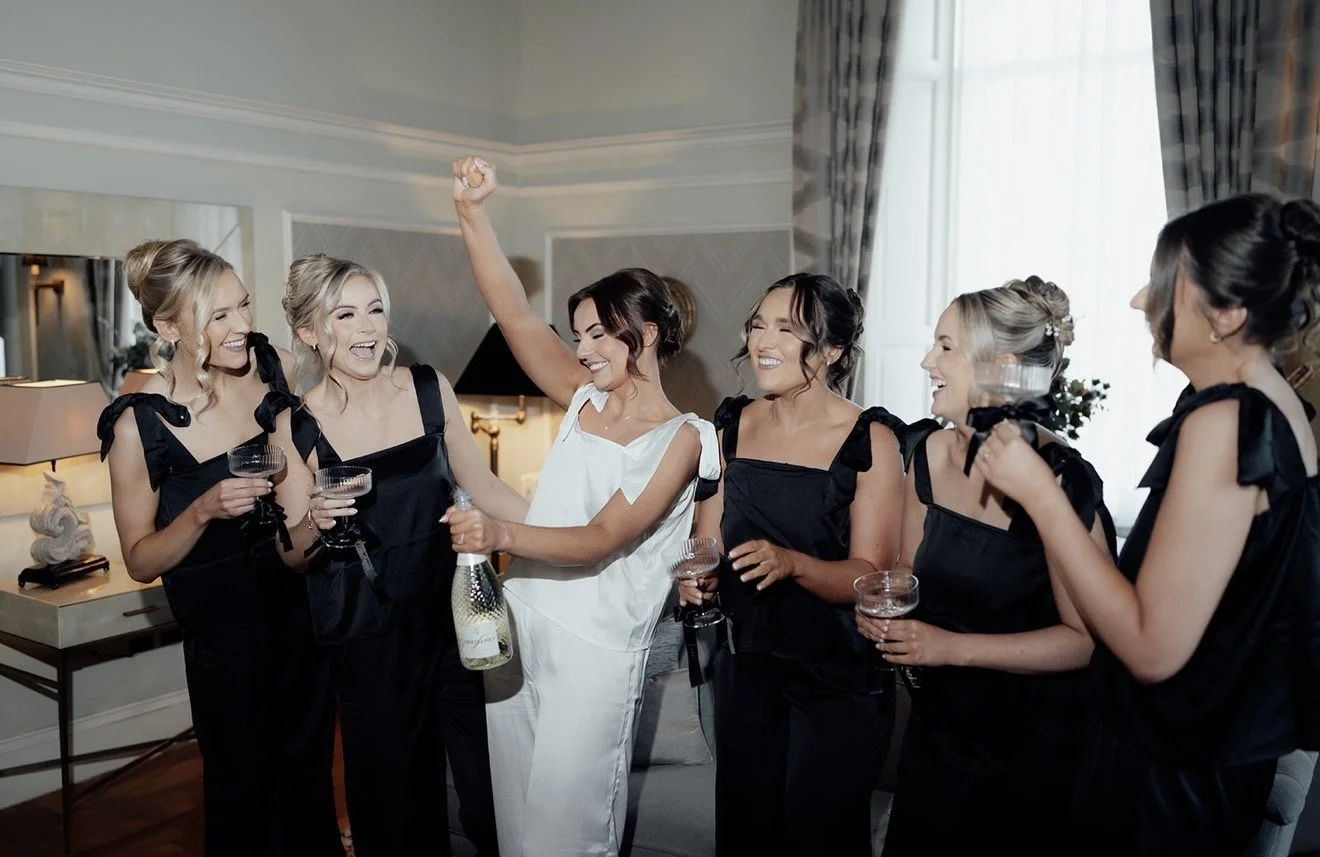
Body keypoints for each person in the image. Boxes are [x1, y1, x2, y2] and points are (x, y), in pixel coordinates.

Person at [976, 195, 1320, 857]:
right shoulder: (1273, 403)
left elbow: (1150, 647)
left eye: (1164, 284)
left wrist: (1043, 496)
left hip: (1172, 777)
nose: (1140, 300)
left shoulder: (1231, 422)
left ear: (1226, 313)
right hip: (1206, 758)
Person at [444, 155, 720, 857]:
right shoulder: (582, 397)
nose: (584, 348)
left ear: (647, 333)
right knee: (516, 831)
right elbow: (510, 311)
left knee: (566, 837)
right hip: (520, 625)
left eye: (599, 332)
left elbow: (604, 536)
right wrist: (472, 214)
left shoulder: (683, 438)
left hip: (594, 654)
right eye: (578, 334)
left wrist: (503, 528)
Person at [272, 253, 526, 857]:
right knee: (393, 802)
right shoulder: (294, 425)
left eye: (376, 310)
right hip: (370, 636)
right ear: (311, 332)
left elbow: (485, 489)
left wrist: (573, 532)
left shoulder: (428, 388)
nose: (368, 328)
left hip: (458, 613)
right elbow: (292, 552)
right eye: (346, 314)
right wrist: (314, 519)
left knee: (493, 788)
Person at [97, 239, 341, 856]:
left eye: (244, 306)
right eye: (219, 316)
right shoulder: (139, 425)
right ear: (167, 325)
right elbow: (140, 560)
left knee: (309, 779)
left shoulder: (275, 365)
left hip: (300, 613)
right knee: (242, 793)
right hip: (224, 640)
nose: (243, 326)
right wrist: (204, 510)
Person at [858, 276, 1117, 857]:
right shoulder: (925, 450)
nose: (928, 360)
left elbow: (1087, 641)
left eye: (946, 346)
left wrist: (948, 648)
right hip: (938, 736)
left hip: (1033, 755)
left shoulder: (1060, 480)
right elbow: (907, 569)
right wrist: (881, 607)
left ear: (1001, 367)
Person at [676, 273, 905, 857]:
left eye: (786, 328)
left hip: (838, 683)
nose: (763, 341)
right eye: (758, 326)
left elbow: (870, 575)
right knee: (746, 835)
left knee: (819, 838)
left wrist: (793, 564)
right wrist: (696, 580)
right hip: (747, 668)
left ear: (831, 351)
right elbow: (708, 543)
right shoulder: (728, 426)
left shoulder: (870, 439)